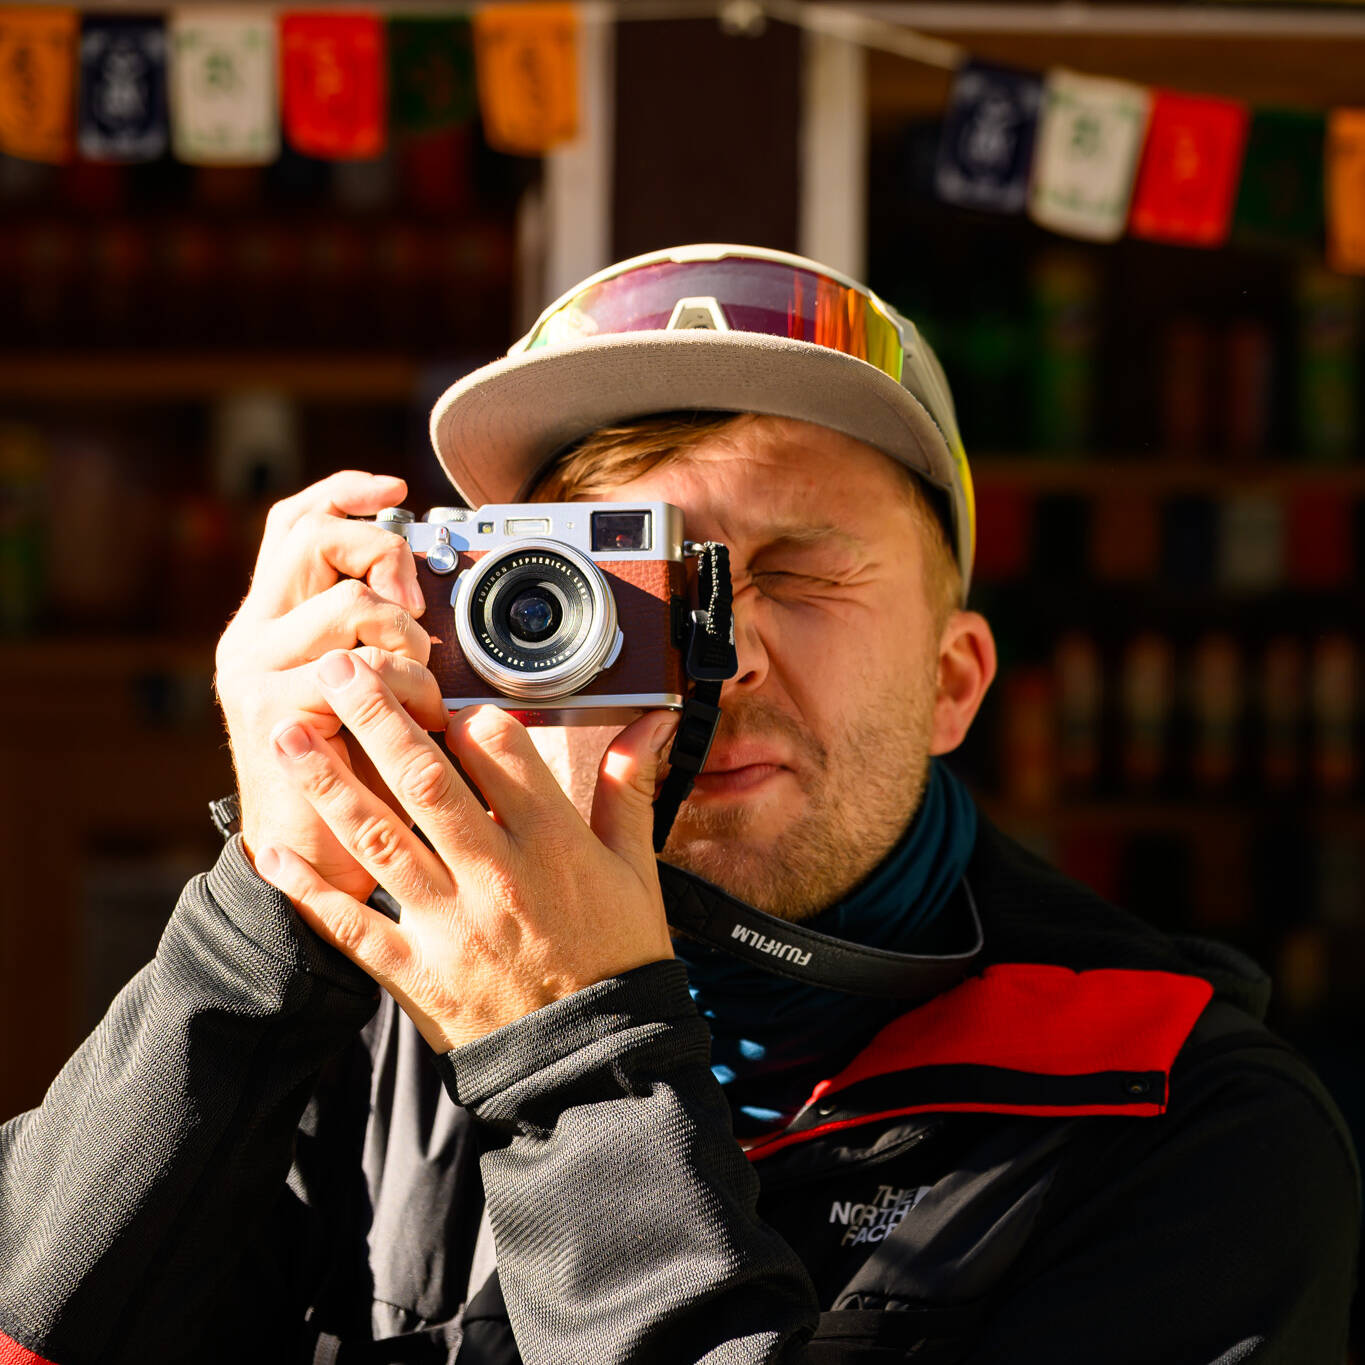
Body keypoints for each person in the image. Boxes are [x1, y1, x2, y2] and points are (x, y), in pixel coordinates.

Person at [0, 244, 1358, 1365]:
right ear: (481, 626)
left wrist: (564, 1045)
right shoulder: (367, 1020)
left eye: (799, 572)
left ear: (954, 681)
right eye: (626, 592)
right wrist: (271, 909)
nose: (727, 652)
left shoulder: (1180, 1121)